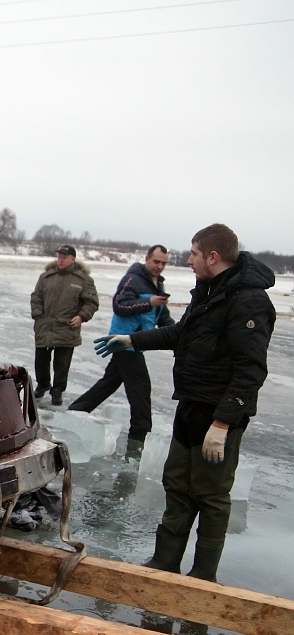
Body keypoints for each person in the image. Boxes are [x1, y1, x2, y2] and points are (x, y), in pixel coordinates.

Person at [96, 224, 274, 582]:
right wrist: (132, 340)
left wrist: (222, 425)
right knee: (176, 483)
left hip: (218, 412)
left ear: (212, 256)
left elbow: (250, 370)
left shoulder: (248, 301)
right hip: (190, 405)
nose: (188, 261)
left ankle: (203, 575)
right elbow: (181, 334)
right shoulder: (209, 291)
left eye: (193, 254)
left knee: (210, 495)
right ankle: (164, 562)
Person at [69, 245, 174, 459]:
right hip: (124, 342)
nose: (159, 266)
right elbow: (119, 306)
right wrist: (148, 302)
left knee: (108, 383)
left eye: (163, 263)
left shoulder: (158, 284)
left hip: (137, 343)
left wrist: (178, 338)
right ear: (147, 259)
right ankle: (139, 441)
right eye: (156, 262)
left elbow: (162, 317)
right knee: (141, 390)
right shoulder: (133, 279)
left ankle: (74, 412)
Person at [30, 245, 99, 405]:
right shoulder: (46, 276)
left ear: (73, 259)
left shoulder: (83, 280)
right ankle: (43, 385)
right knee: (41, 360)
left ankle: (57, 390)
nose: (60, 260)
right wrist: (37, 313)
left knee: (62, 364)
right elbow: (36, 296)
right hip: (45, 325)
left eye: (64, 257)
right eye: (59, 256)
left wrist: (81, 317)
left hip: (67, 327)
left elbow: (91, 303)